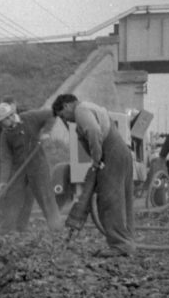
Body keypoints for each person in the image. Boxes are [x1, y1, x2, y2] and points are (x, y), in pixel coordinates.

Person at [52, 93, 135, 257]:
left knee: (109, 200)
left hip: (111, 153)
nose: (66, 120)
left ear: (68, 106)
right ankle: (127, 242)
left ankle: (120, 245)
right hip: (120, 152)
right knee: (122, 199)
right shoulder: (89, 108)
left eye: (63, 115)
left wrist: (96, 159)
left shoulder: (80, 111)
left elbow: (94, 131)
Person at [0, 102, 63, 233]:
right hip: (19, 169)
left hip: (38, 165)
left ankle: (56, 228)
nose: (0, 125)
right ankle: (8, 228)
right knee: (13, 197)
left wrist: (46, 132)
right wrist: (3, 181)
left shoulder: (29, 117)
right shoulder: (5, 135)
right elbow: (6, 159)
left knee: (45, 197)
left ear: (10, 117)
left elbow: (52, 114)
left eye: (2, 121)